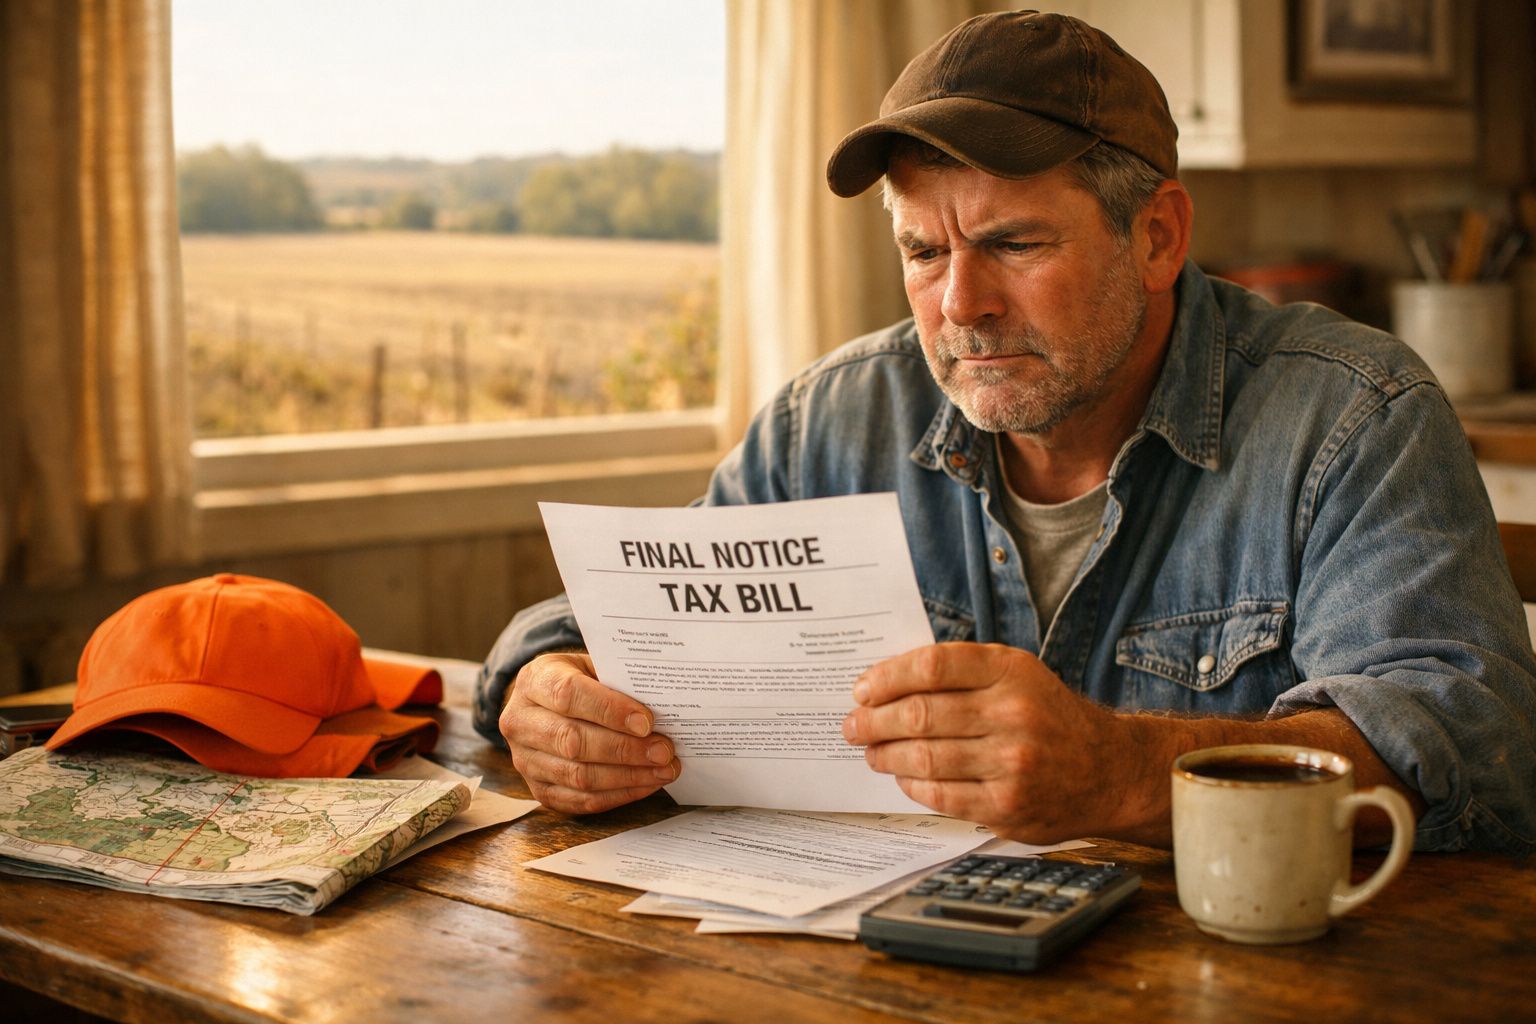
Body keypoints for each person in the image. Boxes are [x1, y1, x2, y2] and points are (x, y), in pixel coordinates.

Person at [473, 10, 1536, 853]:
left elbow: (1466, 750)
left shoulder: (1354, 417)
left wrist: (1123, 770)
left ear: (1158, 234)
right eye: (924, 252)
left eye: (1014, 242)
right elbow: (617, 624)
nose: (959, 305)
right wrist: (549, 692)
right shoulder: (830, 420)